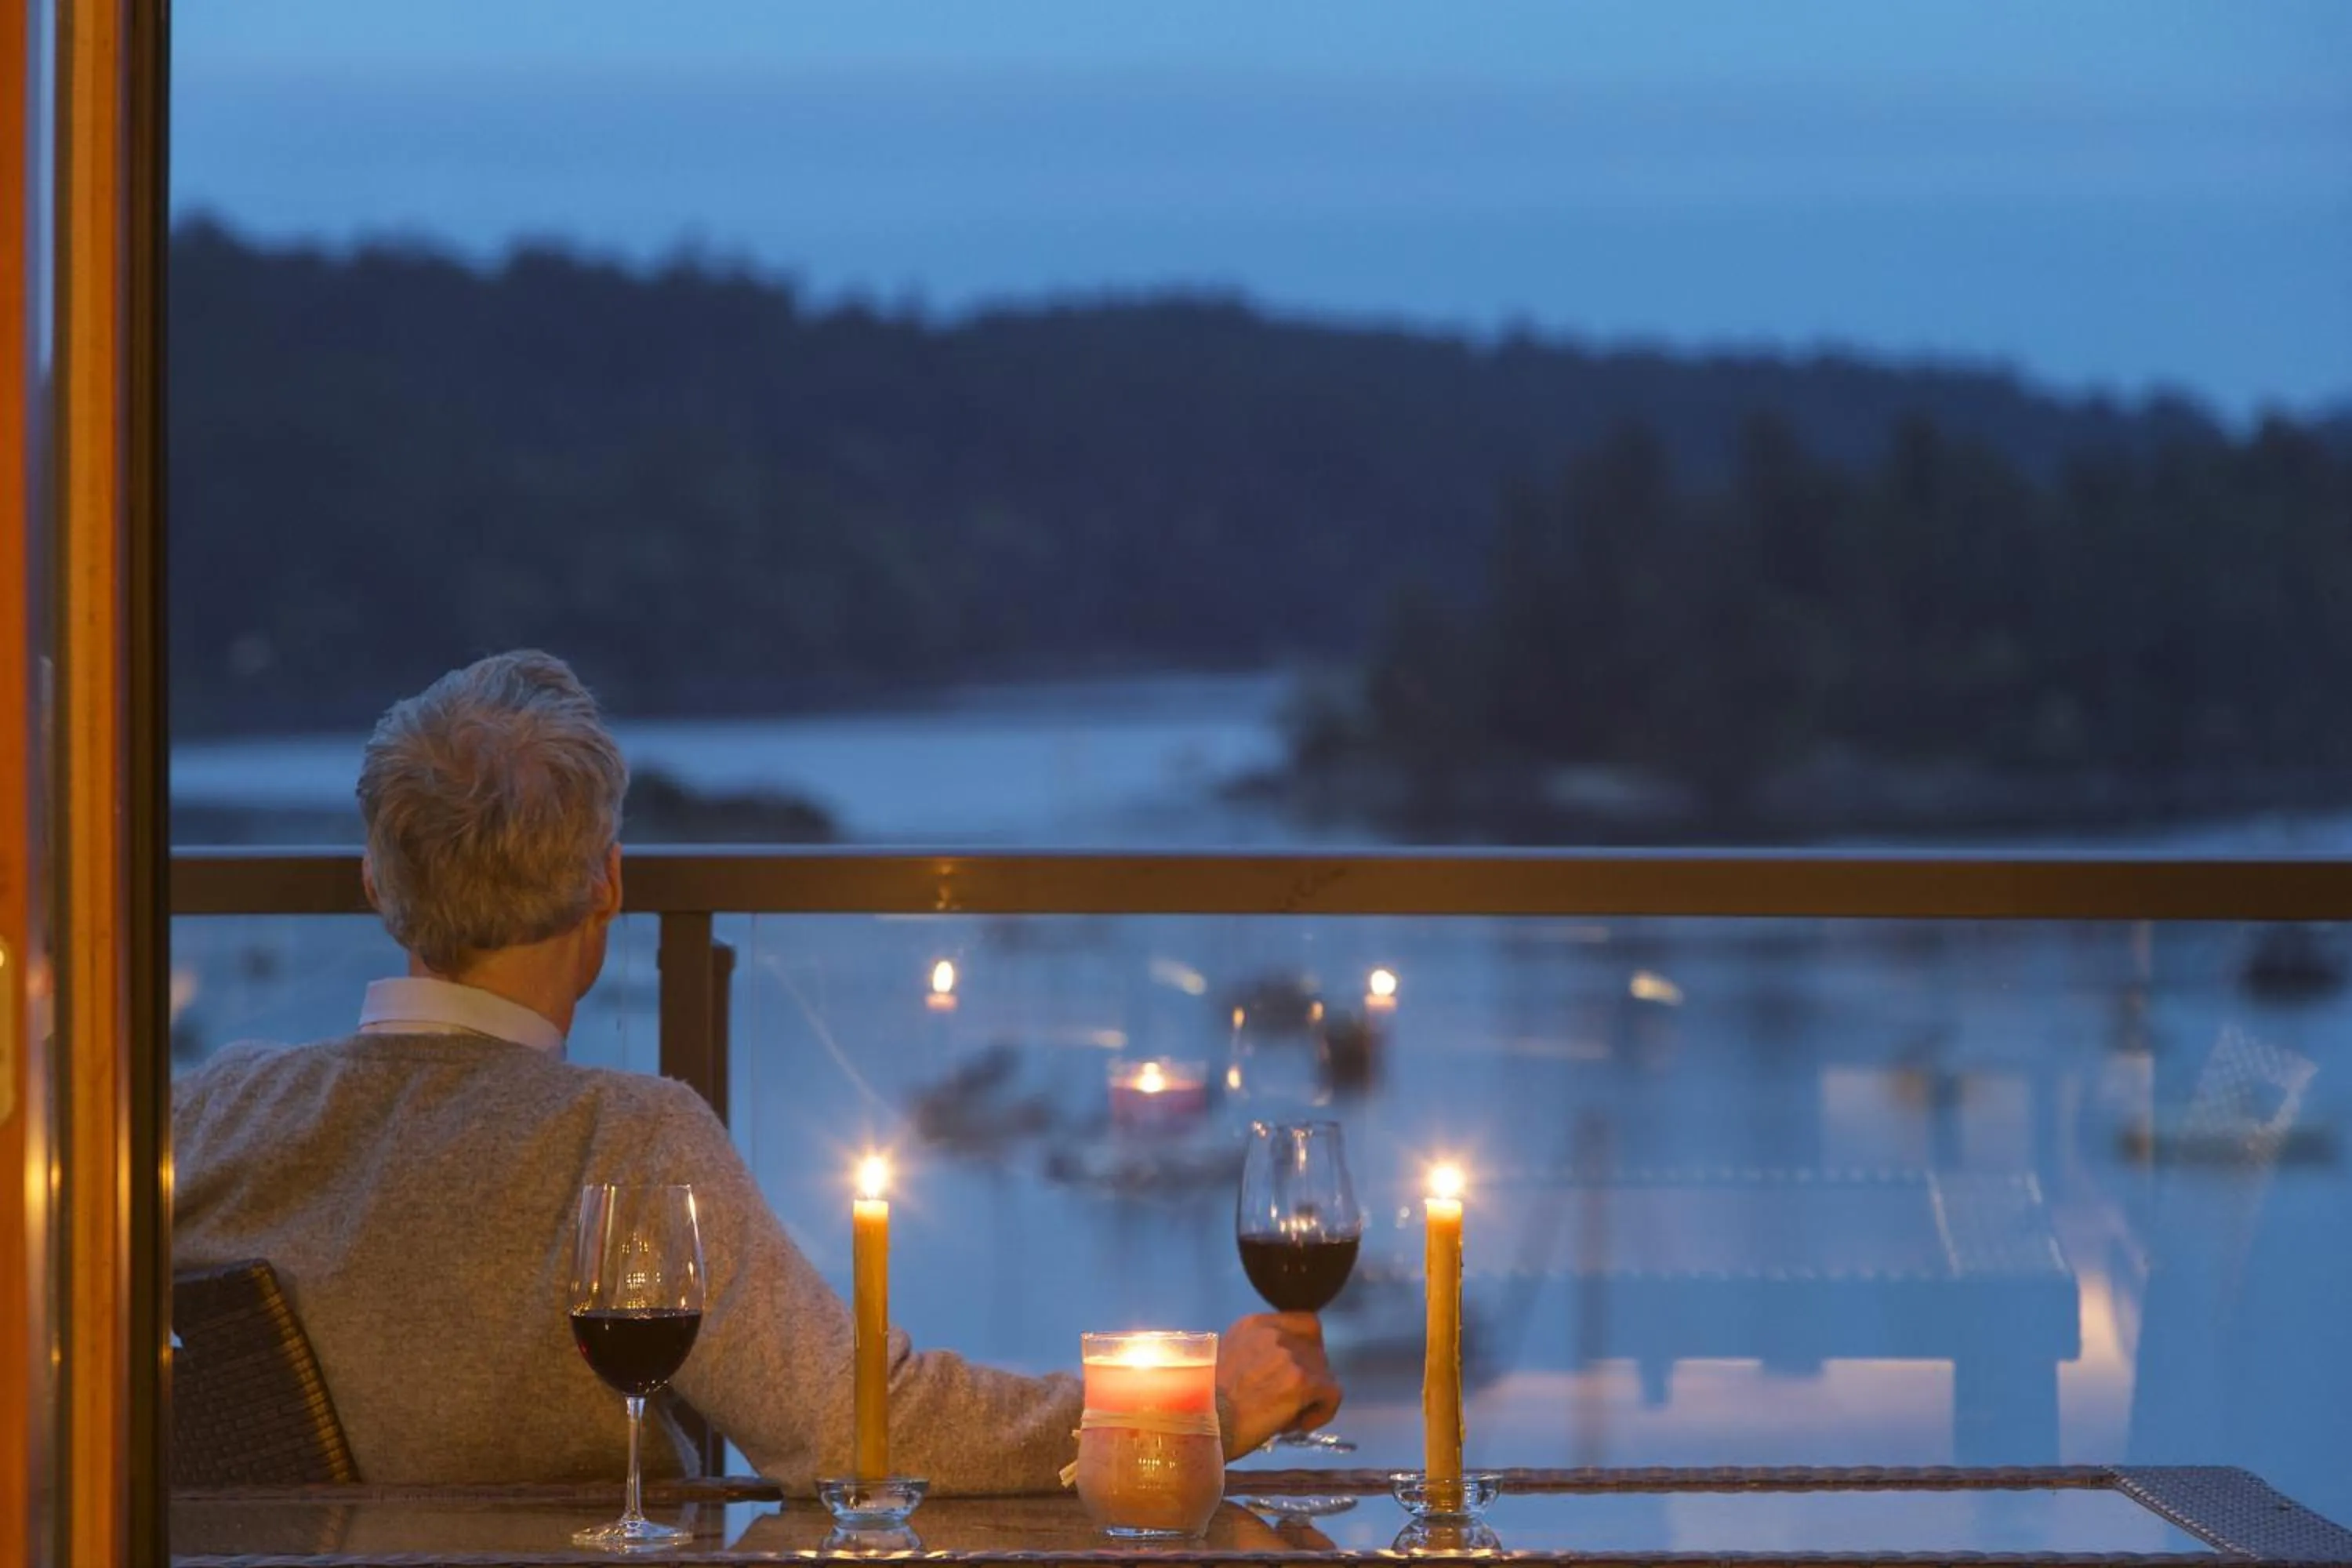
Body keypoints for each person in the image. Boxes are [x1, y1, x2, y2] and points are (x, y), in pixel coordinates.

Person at [173, 650, 1341, 1489]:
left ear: (378, 887)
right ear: (608, 885)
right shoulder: (625, 1140)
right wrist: (1190, 1412)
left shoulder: (214, 1111)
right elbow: (857, 1425)